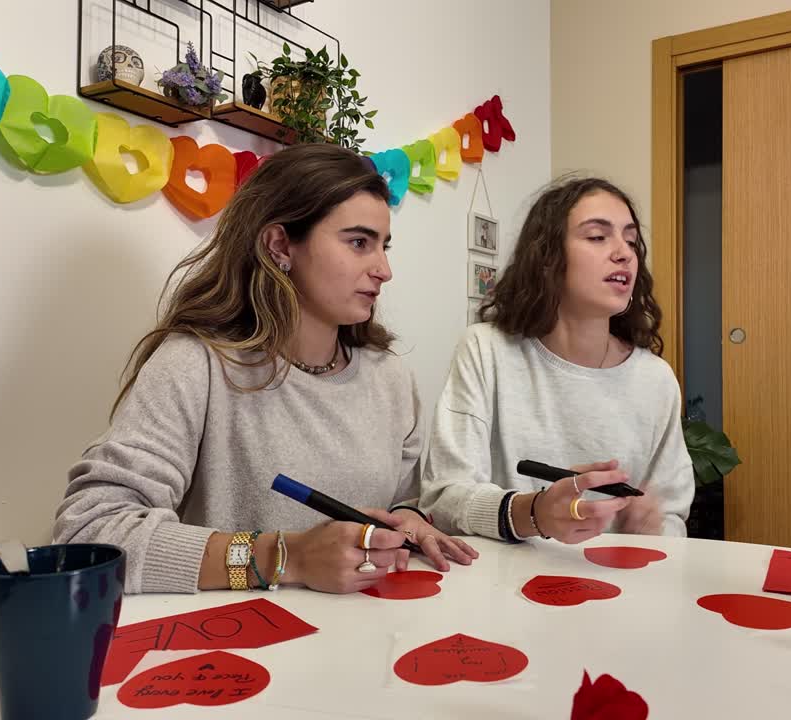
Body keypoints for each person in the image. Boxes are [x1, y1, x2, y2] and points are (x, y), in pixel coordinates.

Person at [54, 144, 477, 595]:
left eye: (383, 245)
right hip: (231, 651)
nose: (384, 270)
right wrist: (285, 557)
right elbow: (91, 532)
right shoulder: (195, 364)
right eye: (359, 243)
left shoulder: (391, 378)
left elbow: (401, 501)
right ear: (280, 245)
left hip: (367, 639)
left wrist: (410, 521)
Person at [419, 177, 695, 544]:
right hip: (500, 588)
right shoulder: (486, 350)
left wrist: (653, 528)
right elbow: (444, 498)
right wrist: (533, 512)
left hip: (621, 587)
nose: (624, 253)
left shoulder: (655, 379)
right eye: (598, 237)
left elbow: (673, 512)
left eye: (630, 240)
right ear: (548, 258)